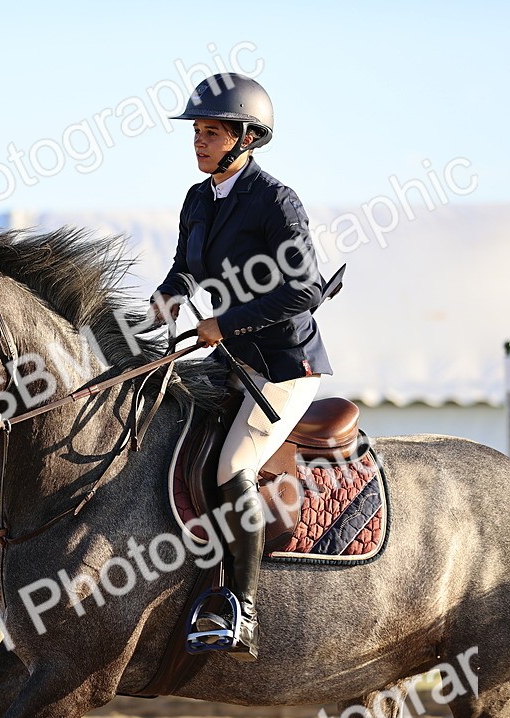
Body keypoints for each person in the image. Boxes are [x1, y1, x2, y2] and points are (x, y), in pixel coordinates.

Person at [151, 73, 331, 661]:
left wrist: (224, 324)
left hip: (282, 364)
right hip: (227, 360)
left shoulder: (275, 201)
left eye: (211, 132)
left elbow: (303, 289)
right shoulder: (198, 199)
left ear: (246, 137)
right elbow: (185, 268)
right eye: (197, 132)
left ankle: (242, 608)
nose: (198, 142)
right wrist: (167, 296)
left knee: (232, 463)